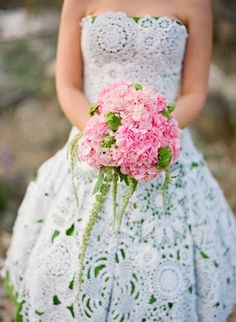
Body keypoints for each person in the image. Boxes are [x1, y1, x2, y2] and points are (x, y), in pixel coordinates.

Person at [1, 0, 236, 321]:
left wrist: (155, 134)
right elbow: (68, 84)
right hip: (92, 144)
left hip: (165, 152)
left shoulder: (197, 4)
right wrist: (104, 136)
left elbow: (194, 91)